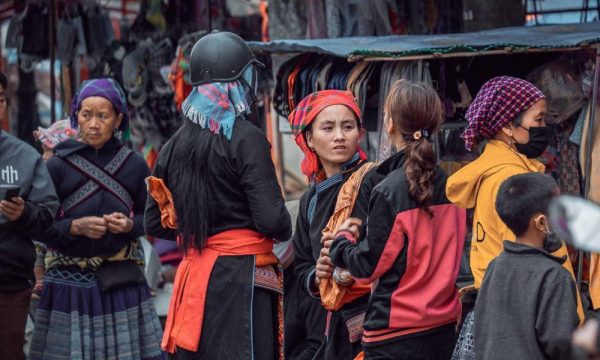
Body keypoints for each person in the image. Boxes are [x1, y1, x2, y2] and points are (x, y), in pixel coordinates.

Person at [145, 31, 291, 359]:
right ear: (239, 82)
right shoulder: (248, 139)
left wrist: (202, 230)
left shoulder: (171, 146)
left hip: (196, 275)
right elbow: (273, 220)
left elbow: (153, 222)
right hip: (242, 281)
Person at [446, 76, 582, 360]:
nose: (543, 128)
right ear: (508, 125)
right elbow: (532, 258)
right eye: (539, 119)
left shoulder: (496, 171)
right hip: (527, 322)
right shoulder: (512, 179)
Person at [329, 80, 466, 360]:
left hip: (394, 333)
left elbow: (367, 268)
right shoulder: (452, 186)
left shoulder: (389, 190)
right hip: (442, 328)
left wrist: (342, 242)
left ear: (390, 124)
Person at [29, 78, 164, 359]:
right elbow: (39, 225)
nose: (93, 124)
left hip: (120, 285)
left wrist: (130, 226)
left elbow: (155, 219)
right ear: (75, 115)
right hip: (68, 288)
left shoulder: (135, 165)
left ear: (118, 119)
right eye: (86, 115)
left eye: (102, 116)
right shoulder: (57, 166)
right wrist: (72, 227)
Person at [288, 89, 376, 359]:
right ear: (310, 139)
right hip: (329, 323)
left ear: (359, 134)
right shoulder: (310, 200)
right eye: (328, 128)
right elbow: (302, 262)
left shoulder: (372, 182)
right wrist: (318, 275)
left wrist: (345, 268)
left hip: (373, 317)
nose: (340, 135)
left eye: (347, 127)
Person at [474, 172, 579, 360]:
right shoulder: (554, 276)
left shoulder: (495, 266)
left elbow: (482, 328)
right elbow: (561, 342)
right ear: (540, 222)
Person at [0, 73, 59, 360]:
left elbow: (48, 215)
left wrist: (23, 213)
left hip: (9, 284)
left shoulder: (23, 156)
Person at [30, 120, 80, 299]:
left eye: (49, 151)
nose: (44, 157)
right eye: (43, 151)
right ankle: (39, 280)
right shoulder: (46, 181)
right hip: (51, 250)